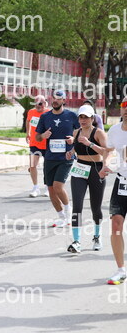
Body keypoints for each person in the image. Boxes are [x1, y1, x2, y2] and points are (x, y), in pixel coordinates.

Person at [64, 104, 107, 254]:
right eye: (81, 117)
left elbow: (107, 152)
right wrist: (71, 152)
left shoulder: (99, 133)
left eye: (86, 117)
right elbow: (76, 147)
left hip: (96, 170)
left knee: (96, 208)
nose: (83, 120)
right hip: (79, 170)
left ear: (92, 118)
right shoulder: (76, 132)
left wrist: (90, 143)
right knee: (77, 206)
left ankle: (97, 236)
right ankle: (76, 241)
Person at [35, 90, 79, 228]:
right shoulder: (45, 116)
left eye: (58, 99)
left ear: (64, 100)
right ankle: (61, 217)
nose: (55, 101)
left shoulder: (71, 116)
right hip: (50, 157)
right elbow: (37, 137)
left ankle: (69, 212)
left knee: (58, 186)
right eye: (53, 98)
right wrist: (43, 136)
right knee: (51, 189)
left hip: (66, 157)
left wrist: (73, 139)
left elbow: (81, 133)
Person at [100, 97, 127, 284]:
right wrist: (106, 165)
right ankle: (121, 269)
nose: (126, 109)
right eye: (124, 105)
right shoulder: (115, 130)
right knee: (116, 225)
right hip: (121, 183)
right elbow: (109, 150)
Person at [25, 95, 50, 197]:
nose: (38, 105)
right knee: (32, 165)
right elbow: (28, 121)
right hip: (34, 143)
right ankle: (36, 188)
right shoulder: (31, 112)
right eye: (36, 103)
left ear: (44, 103)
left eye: (40, 103)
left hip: (46, 144)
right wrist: (28, 133)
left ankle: (48, 187)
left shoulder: (49, 113)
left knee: (47, 167)